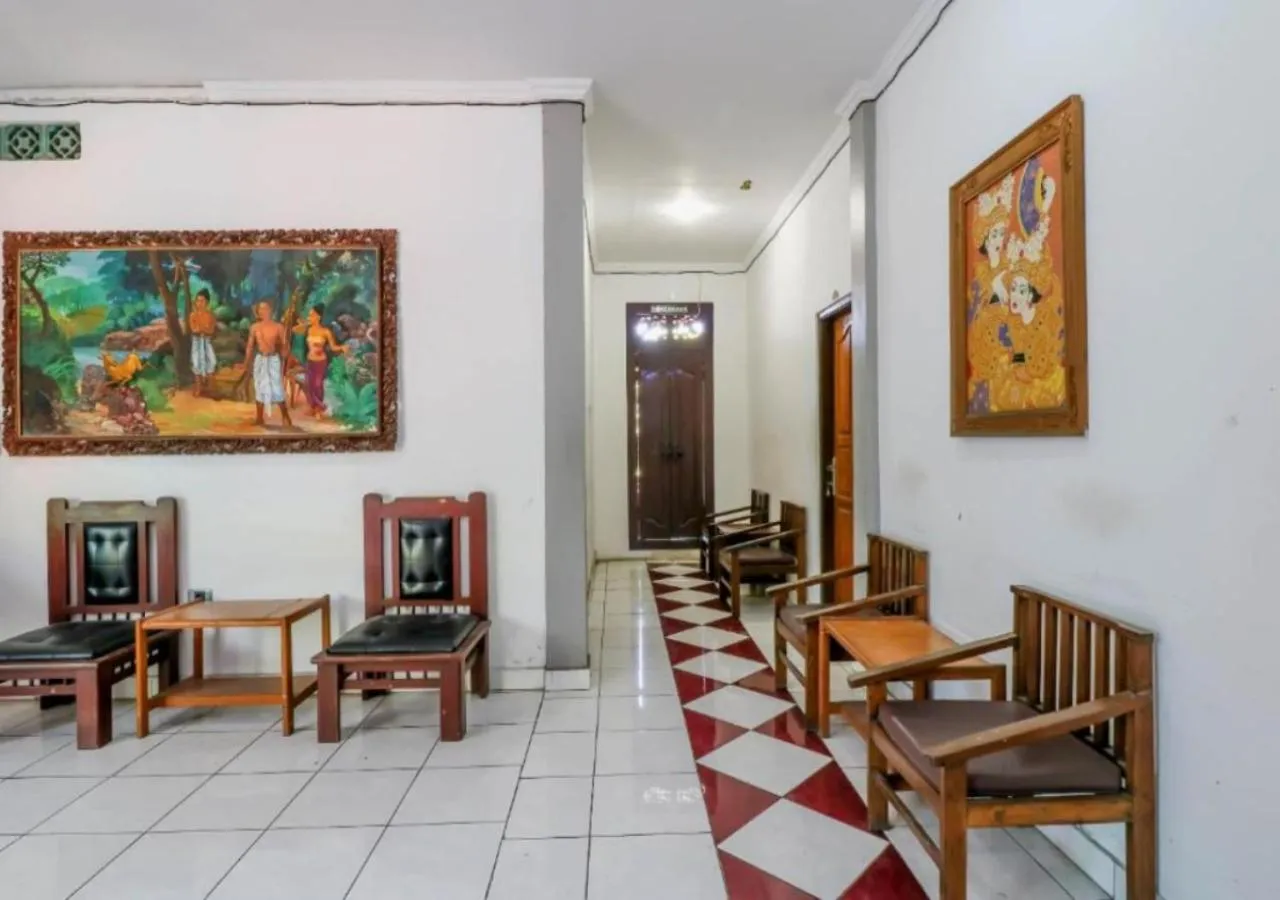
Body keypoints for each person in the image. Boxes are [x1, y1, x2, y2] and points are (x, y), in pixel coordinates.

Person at [291, 304, 348, 417]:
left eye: (311, 315)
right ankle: (313, 407)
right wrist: (305, 324)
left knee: (317, 384)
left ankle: (319, 408)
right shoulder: (308, 329)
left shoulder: (325, 331)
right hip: (310, 361)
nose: (309, 317)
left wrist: (341, 348)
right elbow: (294, 329)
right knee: (309, 384)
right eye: (309, 315)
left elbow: (333, 347)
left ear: (318, 316)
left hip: (320, 362)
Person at [243, 300, 292, 427]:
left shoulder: (278, 327)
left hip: (273, 360)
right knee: (259, 387)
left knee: (277, 387)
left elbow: (284, 346)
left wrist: (285, 350)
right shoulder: (254, 327)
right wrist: (246, 362)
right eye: (260, 309)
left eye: (265, 309)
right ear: (257, 312)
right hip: (260, 360)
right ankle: (259, 418)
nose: (263, 311)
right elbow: (249, 346)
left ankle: (285, 417)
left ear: (270, 310)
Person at [188, 289, 218, 397]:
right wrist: (202, 329)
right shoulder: (192, 315)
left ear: (207, 302)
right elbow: (194, 329)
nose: (200, 303)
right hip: (197, 342)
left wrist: (203, 330)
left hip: (207, 341)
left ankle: (212, 389)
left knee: (211, 362)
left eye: (202, 301)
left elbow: (211, 330)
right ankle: (199, 388)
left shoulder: (211, 315)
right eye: (198, 301)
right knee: (196, 363)